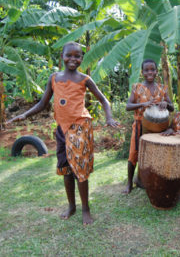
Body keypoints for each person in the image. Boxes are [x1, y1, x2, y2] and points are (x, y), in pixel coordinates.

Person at [7, 42, 119, 225]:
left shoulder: (85, 79)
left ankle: (85, 209)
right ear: (62, 56)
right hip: (61, 129)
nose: (73, 59)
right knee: (65, 168)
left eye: (78, 56)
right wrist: (24, 115)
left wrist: (109, 118)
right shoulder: (54, 78)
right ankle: (71, 206)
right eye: (69, 55)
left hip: (80, 127)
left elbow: (104, 100)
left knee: (80, 169)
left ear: (82, 58)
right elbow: (43, 103)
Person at [123, 59, 174, 194]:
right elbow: (128, 106)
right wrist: (142, 105)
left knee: (157, 153)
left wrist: (165, 104)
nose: (150, 72)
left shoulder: (162, 88)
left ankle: (154, 180)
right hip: (140, 124)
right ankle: (129, 183)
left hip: (159, 127)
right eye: (147, 70)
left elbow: (172, 107)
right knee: (134, 152)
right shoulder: (137, 88)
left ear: (156, 71)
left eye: (152, 69)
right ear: (142, 72)